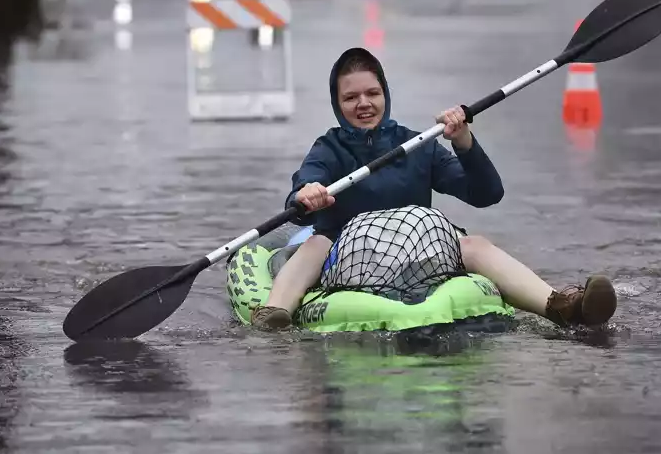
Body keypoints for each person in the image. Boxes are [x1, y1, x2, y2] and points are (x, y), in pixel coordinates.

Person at [250, 47, 618, 331]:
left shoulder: (418, 145)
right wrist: (306, 193)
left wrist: (464, 140)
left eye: (372, 93)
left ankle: (563, 305)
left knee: (474, 244)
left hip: (417, 249)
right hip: (348, 255)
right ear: (337, 103)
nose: (363, 104)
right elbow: (302, 186)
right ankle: (276, 312)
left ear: (385, 94)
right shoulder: (328, 148)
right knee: (316, 242)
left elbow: (487, 194)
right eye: (350, 98)